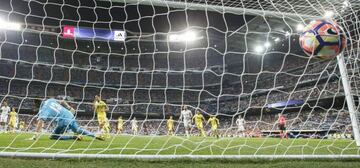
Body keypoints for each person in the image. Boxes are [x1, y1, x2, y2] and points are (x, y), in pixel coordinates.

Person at [30, 98, 104, 141]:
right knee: (77, 130)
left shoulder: (44, 109)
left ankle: (73, 137)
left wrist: (36, 135)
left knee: (53, 136)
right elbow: (62, 101)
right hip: (69, 114)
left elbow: (40, 121)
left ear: (37, 105)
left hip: (63, 121)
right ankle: (95, 135)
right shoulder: (50, 100)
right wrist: (70, 108)